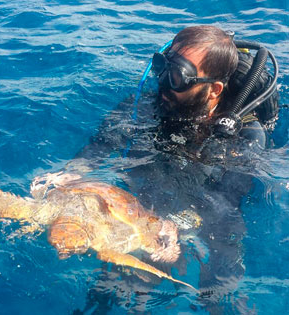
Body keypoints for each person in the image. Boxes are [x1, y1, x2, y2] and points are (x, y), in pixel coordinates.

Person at [67, 25, 279, 314]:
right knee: (109, 291)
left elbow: (229, 200)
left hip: (213, 219)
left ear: (214, 89)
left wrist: (180, 224)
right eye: (162, 68)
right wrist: (73, 170)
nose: (164, 84)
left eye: (178, 76)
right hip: (150, 204)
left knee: (219, 296)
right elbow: (103, 142)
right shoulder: (149, 104)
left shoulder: (247, 136)